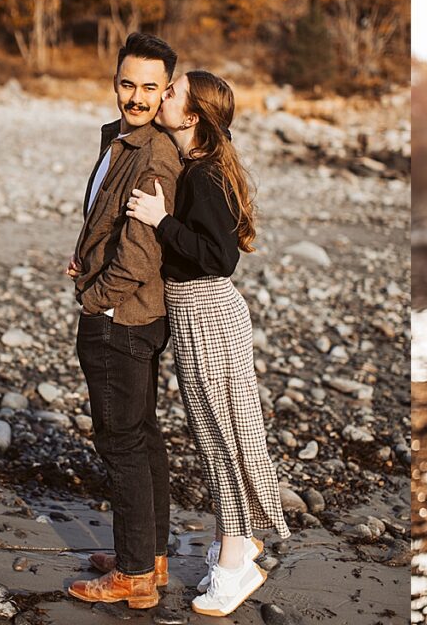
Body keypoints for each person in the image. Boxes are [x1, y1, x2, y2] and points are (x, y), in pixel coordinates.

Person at [126, 69, 291, 617]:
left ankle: (235, 563)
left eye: (170, 93)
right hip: (198, 313)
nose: (160, 95)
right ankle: (240, 542)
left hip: (208, 315)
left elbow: (220, 257)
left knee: (224, 440)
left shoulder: (203, 176)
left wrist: (161, 220)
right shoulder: (196, 165)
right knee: (223, 435)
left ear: (192, 116)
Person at [65, 32, 183, 609]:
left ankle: (135, 576)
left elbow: (139, 256)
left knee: (122, 444)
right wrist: (84, 256)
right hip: (128, 314)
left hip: (122, 319)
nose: (136, 97)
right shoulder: (119, 139)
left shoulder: (154, 152)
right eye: (127, 83)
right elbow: (108, 220)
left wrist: (94, 297)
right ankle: (150, 557)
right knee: (143, 436)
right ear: (116, 81)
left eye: (149, 88)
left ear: (166, 93)